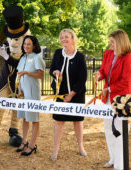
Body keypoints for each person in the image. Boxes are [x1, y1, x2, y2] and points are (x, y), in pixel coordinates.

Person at [0, 5, 30, 151]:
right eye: (12, 37)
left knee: (16, 106)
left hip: (20, 81)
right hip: (5, 80)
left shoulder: (29, 46)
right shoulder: (8, 42)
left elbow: (19, 63)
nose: (14, 41)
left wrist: (5, 56)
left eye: (17, 38)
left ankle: (14, 132)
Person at [95, 29, 131, 170]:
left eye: (112, 42)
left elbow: (125, 81)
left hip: (124, 99)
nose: (110, 44)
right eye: (109, 41)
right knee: (108, 129)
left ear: (120, 41)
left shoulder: (128, 58)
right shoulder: (108, 54)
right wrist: (99, 75)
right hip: (108, 99)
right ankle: (113, 158)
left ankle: (120, 163)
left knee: (120, 130)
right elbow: (104, 71)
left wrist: (109, 89)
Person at [49, 29, 87, 161]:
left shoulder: (80, 56)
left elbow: (83, 78)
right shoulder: (58, 53)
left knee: (78, 121)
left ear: (72, 39)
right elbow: (52, 70)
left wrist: (72, 94)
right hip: (60, 94)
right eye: (61, 37)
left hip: (76, 95)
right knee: (59, 121)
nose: (63, 39)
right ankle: (56, 149)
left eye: (66, 37)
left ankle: (81, 147)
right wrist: (55, 72)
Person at [16, 35, 45, 156]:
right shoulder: (22, 58)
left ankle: (32, 145)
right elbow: (19, 75)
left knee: (34, 119)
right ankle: (24, 141)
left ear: (33, 45)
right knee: (24, 117)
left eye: (28, 44)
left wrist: (28, 73)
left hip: (33, 93)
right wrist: (19, 90)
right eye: (24, 44)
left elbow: (41, 76)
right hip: (23, 93)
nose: (26, 46)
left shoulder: (37, 58)